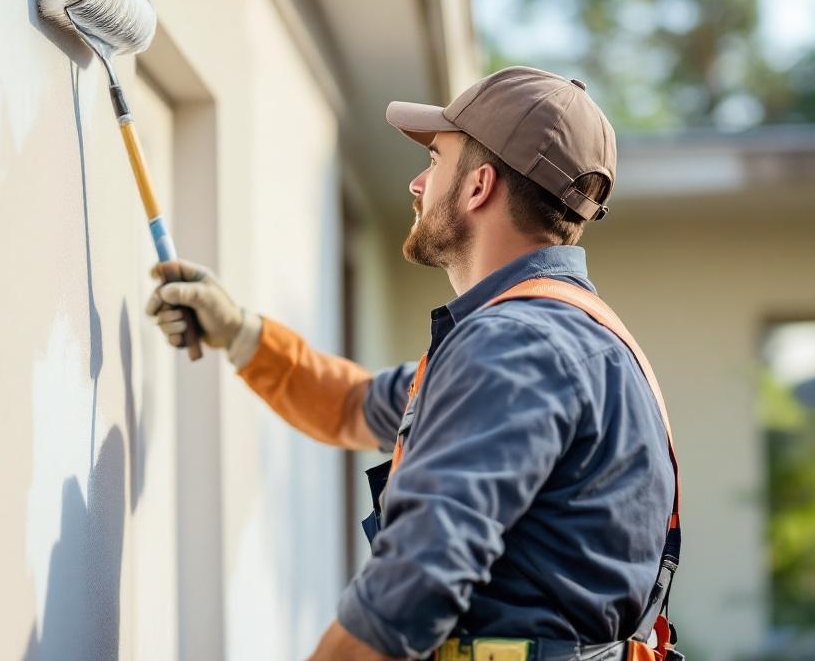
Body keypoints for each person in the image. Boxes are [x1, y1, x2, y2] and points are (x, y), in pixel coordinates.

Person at [145, 67, 680, 661]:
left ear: (478, 186)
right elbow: (354, 404)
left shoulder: (512, 348)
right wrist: (239, 331)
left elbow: (412, 587)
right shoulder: (576, 339)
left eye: (435, 158)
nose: (417, 183)